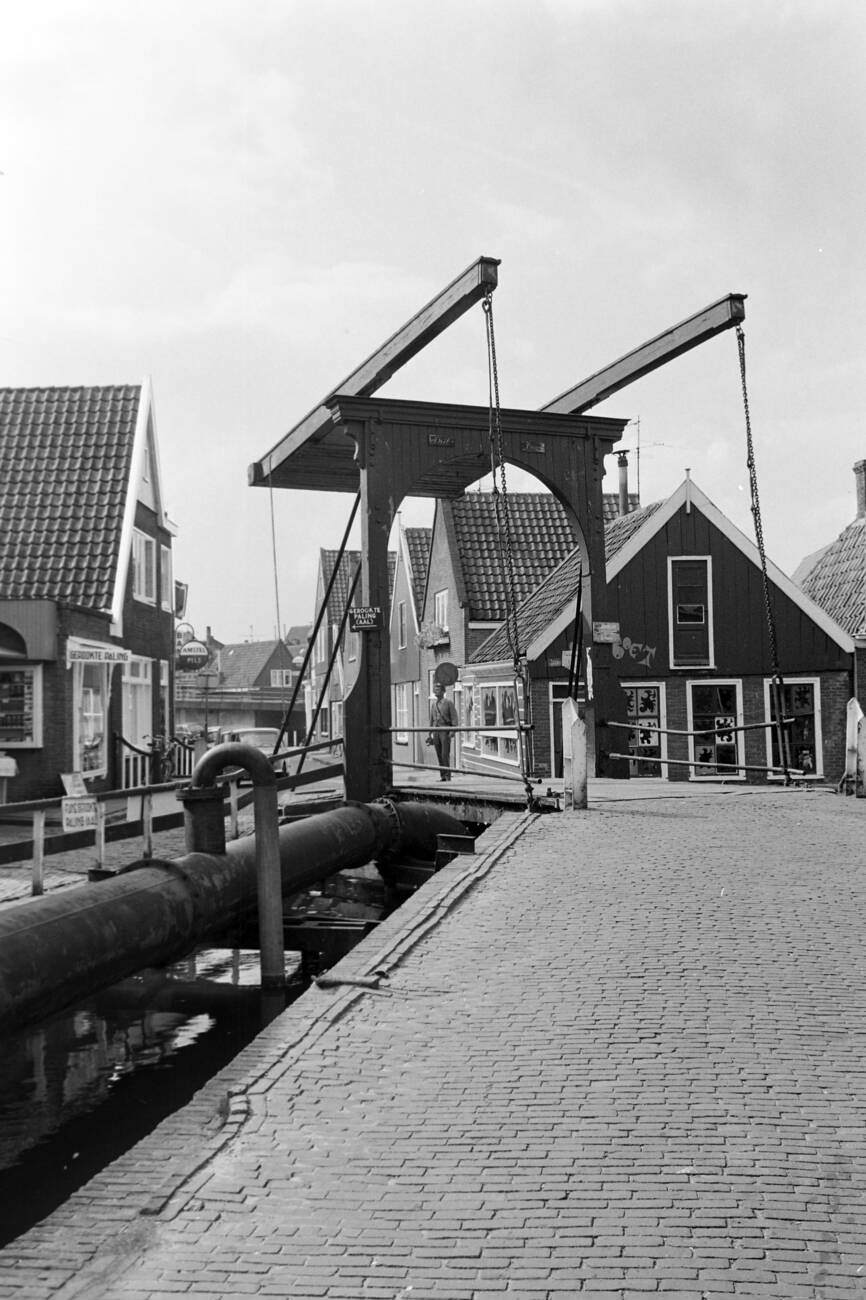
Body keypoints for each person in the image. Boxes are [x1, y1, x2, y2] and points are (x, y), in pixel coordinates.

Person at [427, 681, 458, 781]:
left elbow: (454, 717)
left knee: (445, 754)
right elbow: (431, 719)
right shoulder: (433, 704)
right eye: (435, 689)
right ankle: (442, 776)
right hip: (436, 731)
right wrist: (430, 733)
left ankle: (448, 776)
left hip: (445, 731)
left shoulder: (448, 703)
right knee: (439, 754)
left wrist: (452, 730)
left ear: (443, 691)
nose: (436, 691)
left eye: (438, 689)